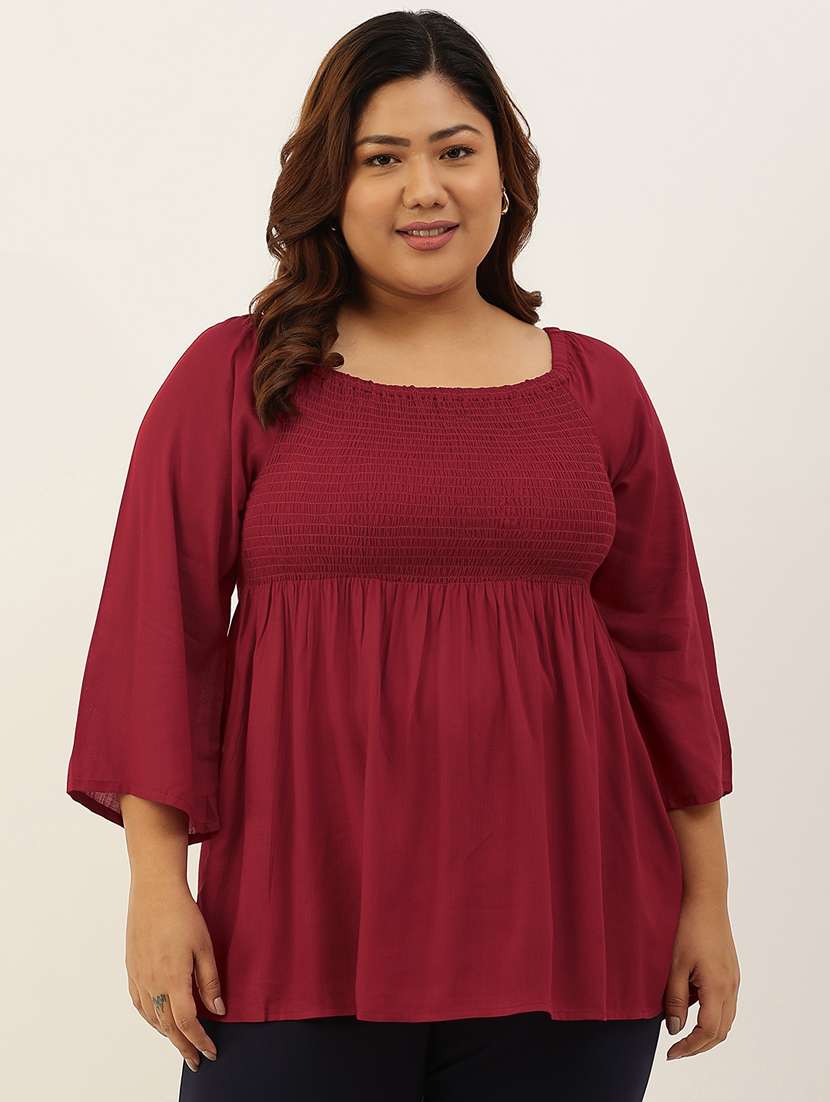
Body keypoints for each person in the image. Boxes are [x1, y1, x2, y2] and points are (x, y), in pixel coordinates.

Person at [65, 10, 739, 1101]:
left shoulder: (596, 391)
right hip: (292, 933)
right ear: (331, 184)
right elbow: (159, 640)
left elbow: (669, 665)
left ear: (505, 176)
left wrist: (706, 901)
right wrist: (155, 887)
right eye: (382, 158)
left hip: (577, 932)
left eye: (454, 151)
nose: (424, 189)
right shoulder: (238, 378)